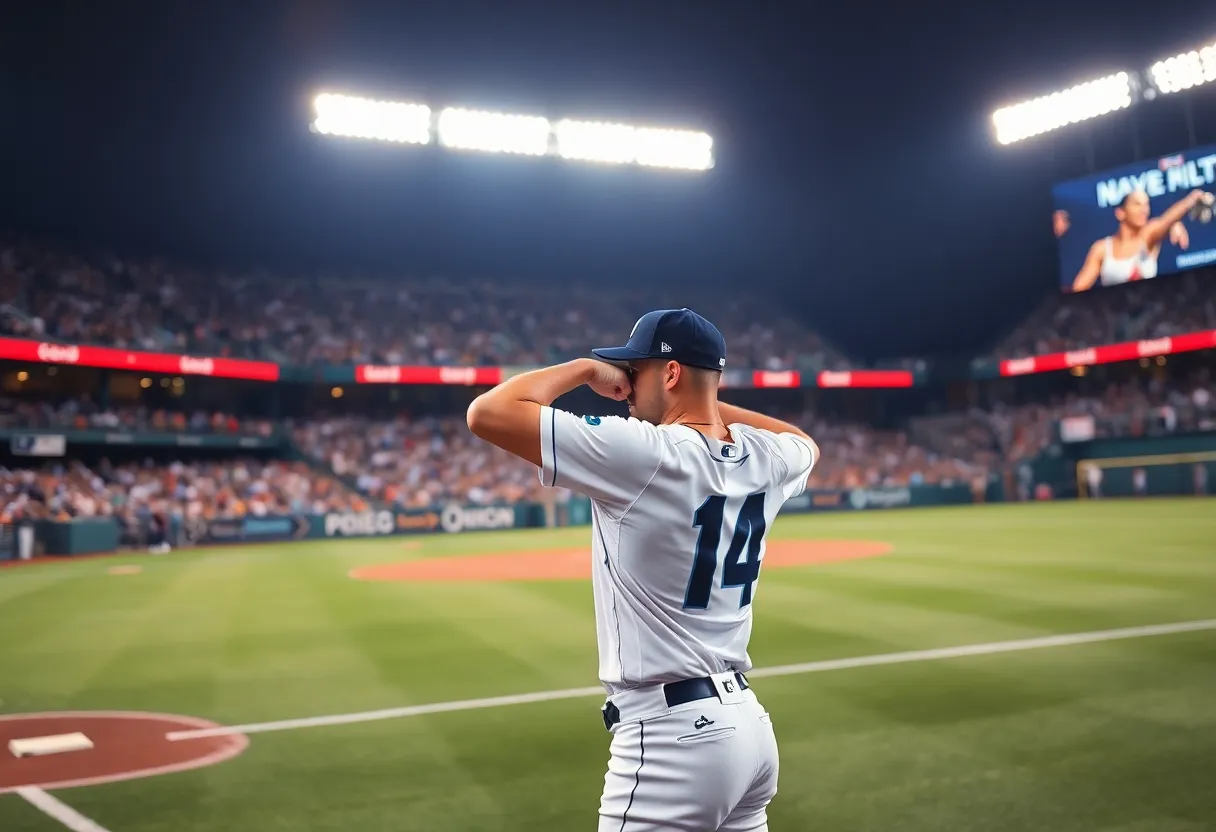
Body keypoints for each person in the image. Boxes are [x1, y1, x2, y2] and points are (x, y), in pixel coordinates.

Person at [466, 308, 819, 831]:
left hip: (673, 737)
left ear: (671, 374)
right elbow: (803, 441)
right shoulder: (765, 458)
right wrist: (707, 400)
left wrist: (585, 371)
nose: (626, 385)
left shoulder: (644, 452)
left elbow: (487, 413)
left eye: (637, 371)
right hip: (749, 729)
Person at [1070, 189, 1213, 292]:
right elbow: (1079, 288)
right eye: (1137, 204)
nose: (1144, 209)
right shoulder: (1101, 249)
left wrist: (1191, 200)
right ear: (1121, 213)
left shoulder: (1148, 236)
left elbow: (1166, 220)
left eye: (1146, 204)